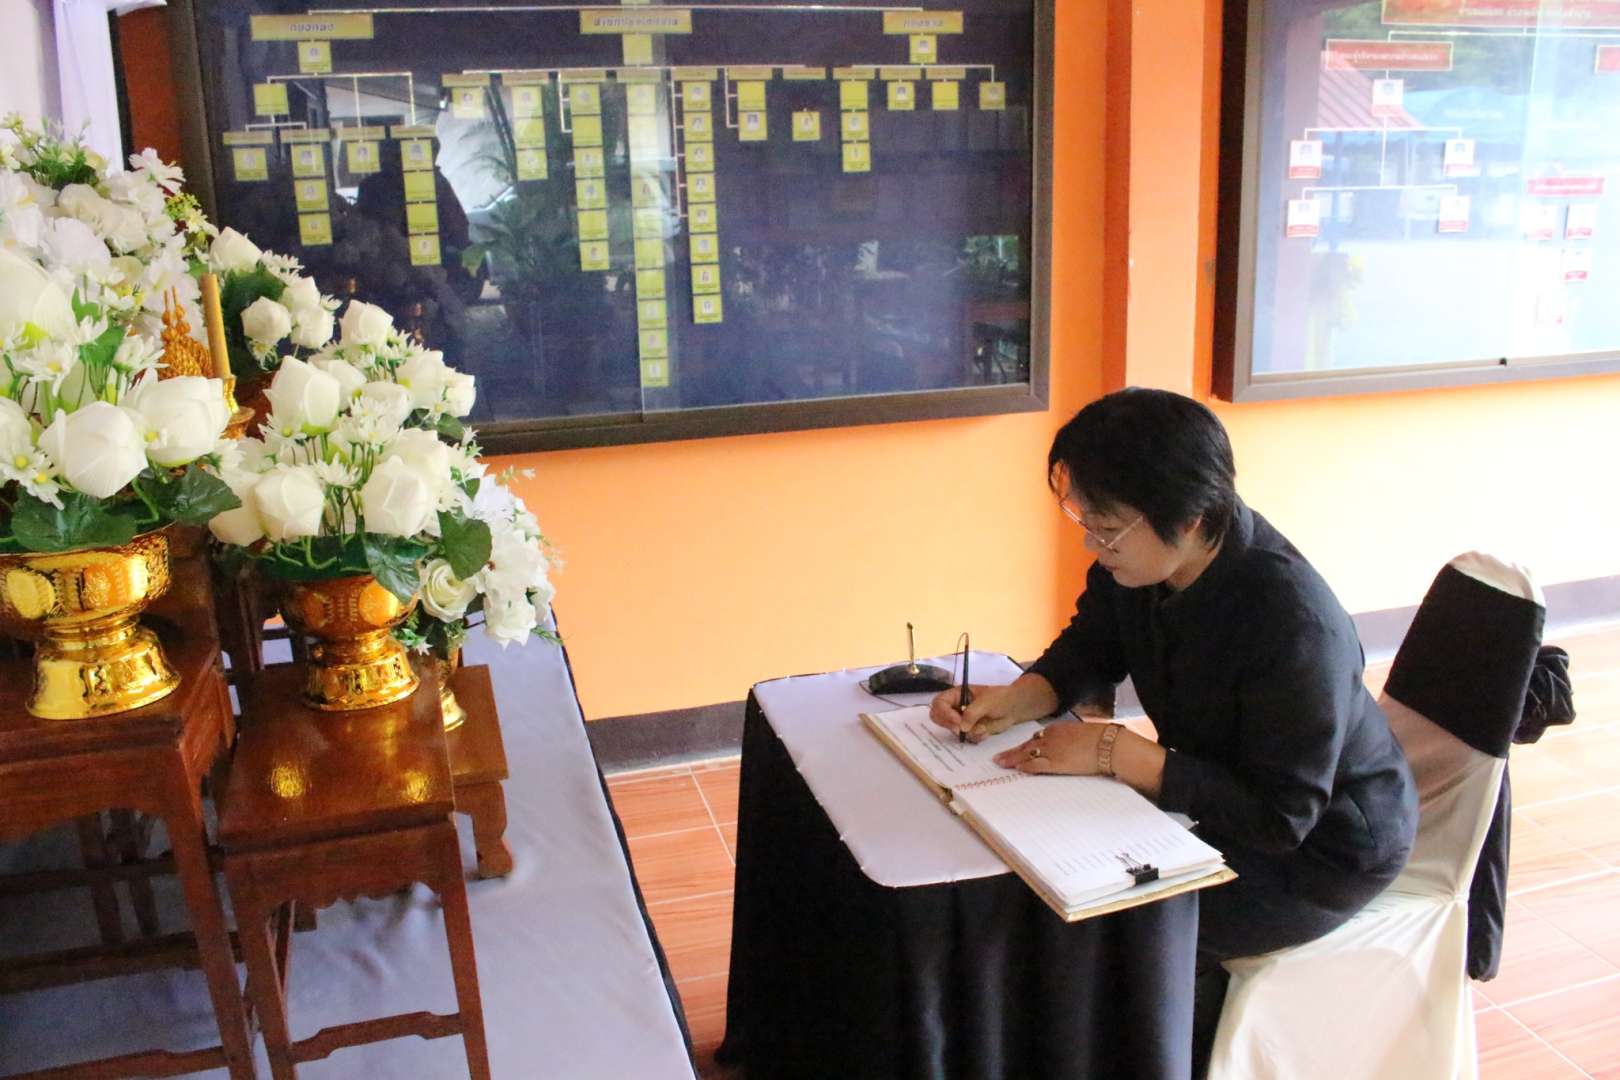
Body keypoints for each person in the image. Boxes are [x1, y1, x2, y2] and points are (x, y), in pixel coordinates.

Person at [929, 387, 1418, 1074]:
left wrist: (1117, 752)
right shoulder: (1143, 564)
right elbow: (1092, 644)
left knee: (1110, 930)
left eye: (1106, 528)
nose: (1092, 544)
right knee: (1042, 886)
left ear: (1190, 519)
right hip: (1218, 796)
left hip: (1321, 852)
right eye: (1085, 520)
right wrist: (1017, 699)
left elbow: (1281, 817)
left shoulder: (1292, 624)